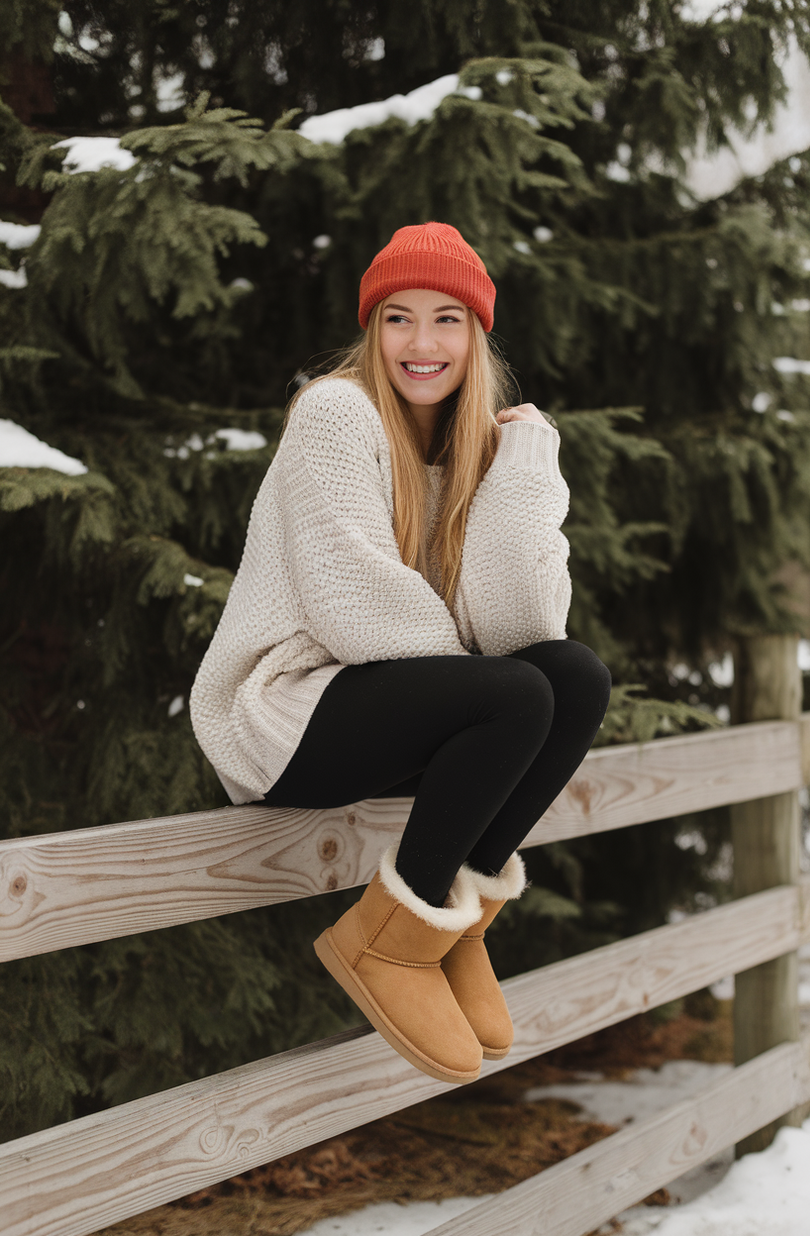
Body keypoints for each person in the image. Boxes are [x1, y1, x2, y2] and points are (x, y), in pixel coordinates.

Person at [190, 222, 611, 1087]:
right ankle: (385, 942)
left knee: (572, 677)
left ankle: (452, 925)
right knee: (521, 695)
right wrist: (493, 688)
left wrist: (524, 466)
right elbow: (357, 609)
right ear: (372, 330)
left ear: (477, 335)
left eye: (448, 319)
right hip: (284, 714)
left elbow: (520, 626)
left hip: (385, 711)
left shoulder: (474, 449)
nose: (422, 343)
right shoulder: (336, 413)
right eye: (399, 318)